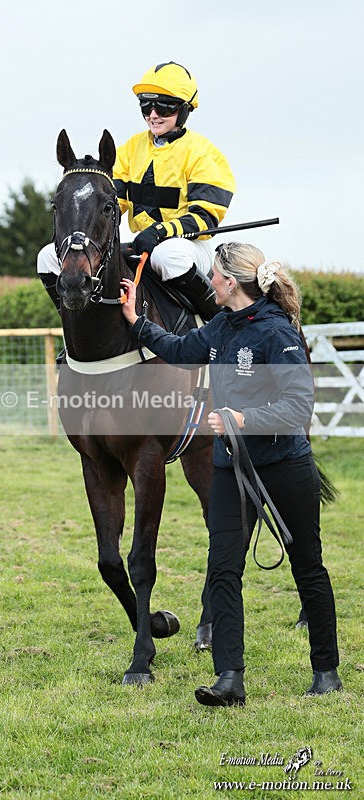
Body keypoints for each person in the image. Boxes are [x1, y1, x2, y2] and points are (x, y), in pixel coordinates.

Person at [120, 241, 342, 707]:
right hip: (230, 471)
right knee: (223, 568)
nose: (208, 284)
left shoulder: (276, 333)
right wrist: (134, 321)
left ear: (230, 281)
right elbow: (180, 349)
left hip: (284, 468)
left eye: (213, 277)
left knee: (308, 567)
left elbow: (298, 405)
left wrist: (242, 420)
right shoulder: (221, 325)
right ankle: (229, 679)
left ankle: (326, 671)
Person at [38, 61, 236, 321]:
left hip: (186, 247)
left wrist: (158, 232)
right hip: (140, 244)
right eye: (146, 105)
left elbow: (206, 217)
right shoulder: (131, 148)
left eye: (163, 105)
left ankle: (222, 321)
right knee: (47, 257)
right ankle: (77, 328)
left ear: (185, 109)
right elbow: (110, 204)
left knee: (168, 257)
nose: (153, 114)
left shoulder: (204, 154)